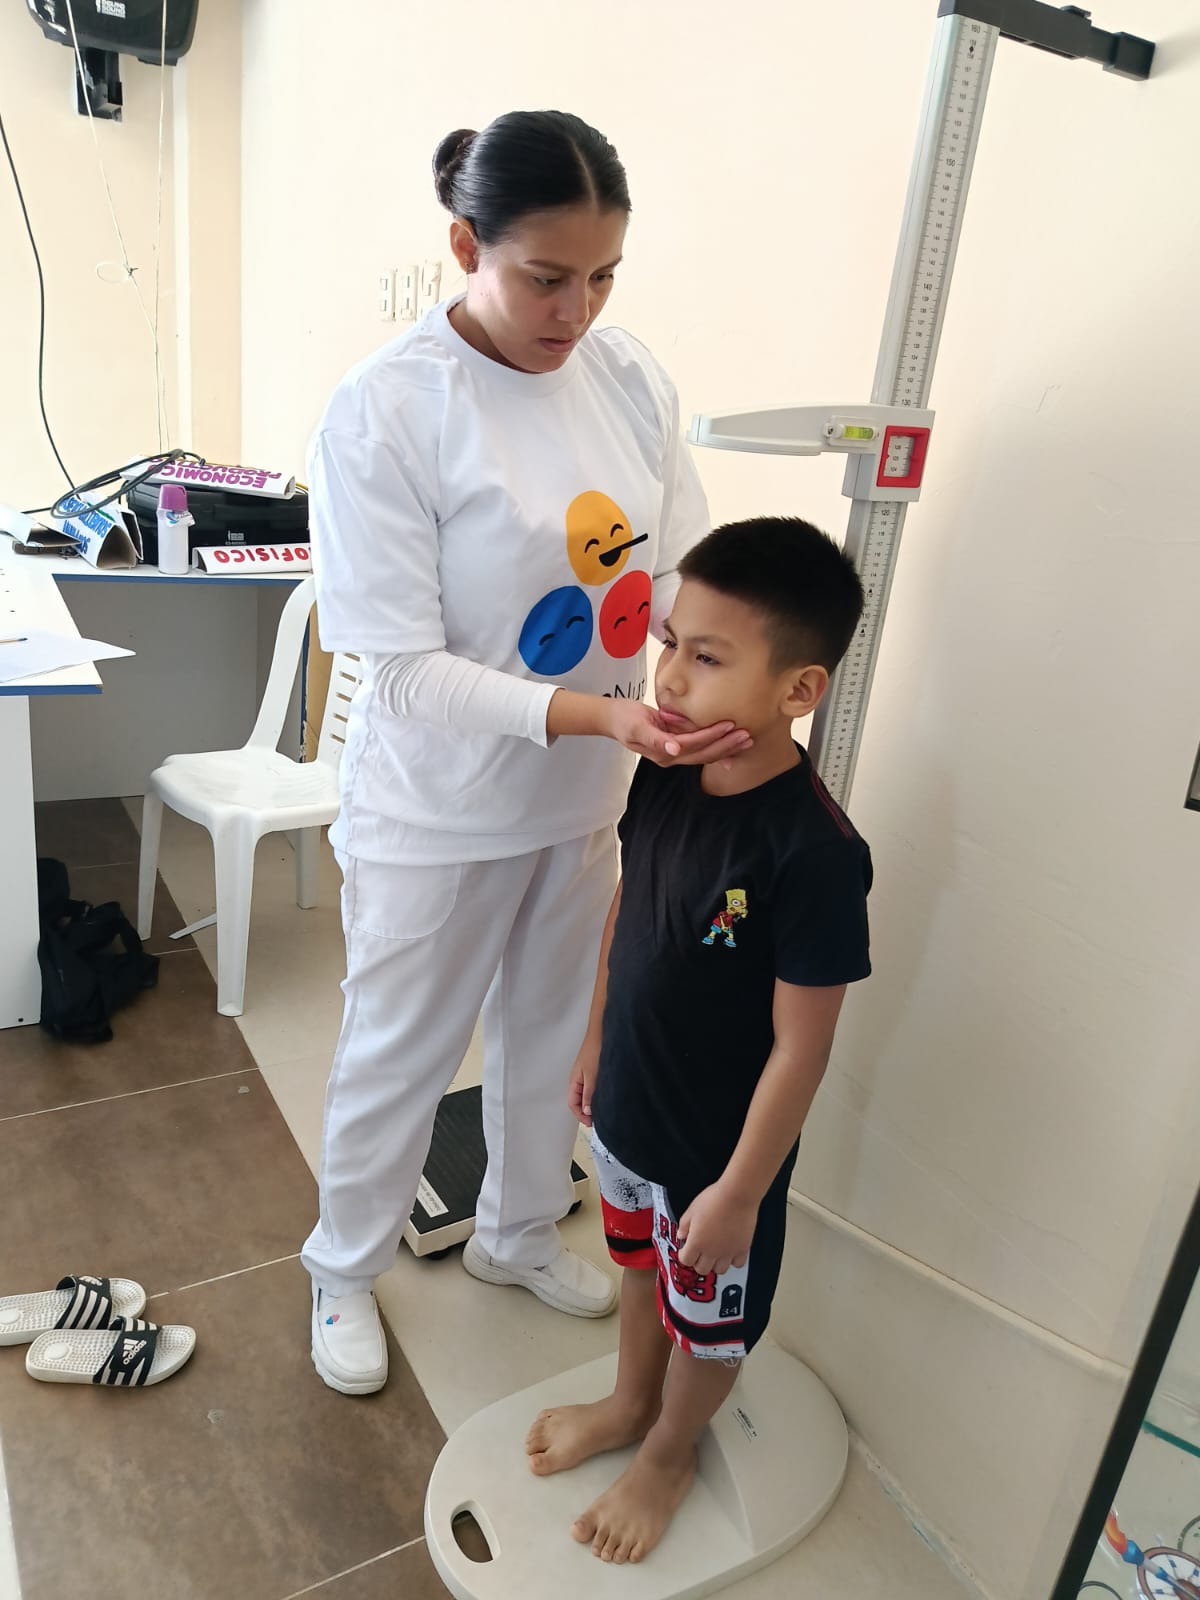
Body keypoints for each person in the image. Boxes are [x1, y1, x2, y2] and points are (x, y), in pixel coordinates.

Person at [302, 111, 751, 1396]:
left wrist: (721, 667)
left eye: (604, 276)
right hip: (438, 812)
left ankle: (514, 1231)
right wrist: (604, 715)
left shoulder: (628, 378)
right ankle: (342, 1267)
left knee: (551, 1036)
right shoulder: (388, 410)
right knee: (400, 1050)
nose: (577, 310)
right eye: (546, 277)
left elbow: (674, 568)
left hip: (581, 802)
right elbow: (399, 668)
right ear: (466, 247)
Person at [525, 516, 874, 1564]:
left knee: (708, 1324)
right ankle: (631, 1402)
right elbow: (629, 909)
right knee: (638, 1267)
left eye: (708, 657)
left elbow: (802, 1049)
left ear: (799, 689)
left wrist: (739, 1194)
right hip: (630, 1106)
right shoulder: (667, 771)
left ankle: (671, 1452)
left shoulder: (813, 853)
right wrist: (596, 1041)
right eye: (670, 641)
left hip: (719, 1160)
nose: (669, 675)